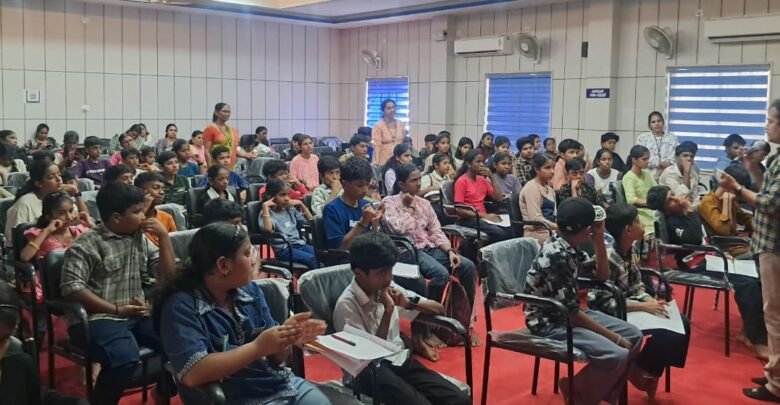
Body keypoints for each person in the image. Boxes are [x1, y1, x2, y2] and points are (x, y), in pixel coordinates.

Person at [154, 223, 328, 404]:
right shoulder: (181, 306)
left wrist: (286, 338)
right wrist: (258, 348)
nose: (254, 260)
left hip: (275, 383)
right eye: (246, 254)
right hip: (234, 396)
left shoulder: (250, 290)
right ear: (223, 265)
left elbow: (277, 359)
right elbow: (193, 373)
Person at [59, 182, 175, 405]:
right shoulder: (86, 245)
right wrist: (117, 310)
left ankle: (163, 392)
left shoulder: (139, 237)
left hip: (136, 314)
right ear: (116, 218)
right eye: (137, 212)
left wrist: (164, 238)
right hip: (96, 318)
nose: (143, 216)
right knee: (124, 359)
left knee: (180, 338)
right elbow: (71, 288)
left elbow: (167, 277)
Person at [523, 197, 644, 404]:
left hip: (567, 313)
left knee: (635, 336)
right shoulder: (556, 256)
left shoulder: (569, 246)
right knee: (617, 354)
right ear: (584, 229)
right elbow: (571, 315)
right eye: (591, 227)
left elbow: (602, 276)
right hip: (549, 322)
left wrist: (599, 238)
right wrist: (614, 338)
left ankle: (585, 388)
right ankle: (580, 396)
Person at [333, 232, 472, 405]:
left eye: (390, 270)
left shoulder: (388, 287)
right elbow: (369, 357)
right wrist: (388, 311)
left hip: (399, 359)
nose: (389, 277)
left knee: (459, 400)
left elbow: (438, 309)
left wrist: (407, 303)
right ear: (360, 274)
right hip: (367, 373)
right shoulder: (346, 306)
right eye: (382, 272)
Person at [717, 99, 780, 402]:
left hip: (775, 245)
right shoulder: (776, 158)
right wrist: (752, 168)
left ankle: (776, 384)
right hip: (768, 243)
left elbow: (770, 203)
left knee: (775, 314)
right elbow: (767, 189)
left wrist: (737, 190)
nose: (766, 126)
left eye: (770, 120)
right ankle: (774, 370)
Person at [597, 203, 690, 398]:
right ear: (627, 229)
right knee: (666, 331)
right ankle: (642, 374)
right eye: (638, 221)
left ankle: (646, 371)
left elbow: (637, 285)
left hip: (632, 306)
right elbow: (602, 303)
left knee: (682, 322)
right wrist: (643, 306)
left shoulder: (631, 250)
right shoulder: (609, 258)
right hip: (613, 313)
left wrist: (650, 301)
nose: (643, 225)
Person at [383, 163, 479, 344]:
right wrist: (410, 208)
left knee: (467, 266)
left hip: (429, 247)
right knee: (440, 274)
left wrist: (450, 251)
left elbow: (436, 231)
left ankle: (464, 323)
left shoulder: (425, 203)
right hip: (408, 251)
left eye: (419, 179)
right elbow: (398, 229)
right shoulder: (389, 202)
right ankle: (429, 325)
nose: (419, 184)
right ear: (401, 184)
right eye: (413, 180)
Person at [5, 160, 87, 247]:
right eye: (51, 177)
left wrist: (76, 192)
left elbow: (85, 219)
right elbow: (13, 240)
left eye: (59, 174)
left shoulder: (61, 198)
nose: (59, 179)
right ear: (38, 183)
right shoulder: (24, 203)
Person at [322, 156, 383, 251]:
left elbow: (374, 242)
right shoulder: (332, 209)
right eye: (360, 185)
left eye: (367, 184)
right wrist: (363, 222)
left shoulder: (367, 205)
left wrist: (376, 225)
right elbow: (340, 248)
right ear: (344, 184)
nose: (365, 190)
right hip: (347, 258)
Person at [453, 150, 513, 244]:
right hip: (469, 219)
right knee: (499, 233)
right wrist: (485, 216)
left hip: (483, 217)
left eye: (482, 162)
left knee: (511, 230)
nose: (481, 164)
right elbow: (459, 210)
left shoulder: (481, 179)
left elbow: (498, 198)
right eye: (478, 162)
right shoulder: (461, 181)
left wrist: (492, 177)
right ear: (468, 164)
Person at [20, 191, 94, 265]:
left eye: (70, 211)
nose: (69, 217)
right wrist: (47, 231)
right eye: (61, 213)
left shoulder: (80, 230)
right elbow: (25, 257)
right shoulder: (38, 234)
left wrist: (91, 225)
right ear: (49, 217)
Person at [261, 179, 318, 269]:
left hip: (299, 244)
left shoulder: (290, 210)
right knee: (313, 260)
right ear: (271, 197)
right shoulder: (266, 214)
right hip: (284, 249)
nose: (287, 198)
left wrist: (301, 205)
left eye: (288, 195)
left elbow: (311, 221)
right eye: (282, 195)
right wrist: (265, 207)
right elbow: (268, 230)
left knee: (322, 255)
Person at [519, 153, 558, 244]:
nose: (552, 171)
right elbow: (535, 219)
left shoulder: (550, 189)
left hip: (551, 231)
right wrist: (559, 227)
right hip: (536, 234)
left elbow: (554, 215)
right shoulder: (531, 188)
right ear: (537, 169)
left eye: (553, 167)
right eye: (547, 168)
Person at [622, 145, 657, 238]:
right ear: (634, 160)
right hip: (640, 214)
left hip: (652, 211)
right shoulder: (629, 177)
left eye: (648, 159)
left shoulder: (647, 173)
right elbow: (631, 199)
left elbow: (656, 189)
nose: (647, 162)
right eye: (644, 159)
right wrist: (650, 202)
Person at [135, 172, 177, 246]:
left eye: (163, 188)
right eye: (156, 188)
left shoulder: (167, 217)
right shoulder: (130, 218)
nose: (162, 192)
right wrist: (144, 208)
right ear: (140, 191)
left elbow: (175, 244)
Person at [204, 102, 248, 169]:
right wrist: (210, 168)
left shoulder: (232, 130)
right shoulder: (210, 129)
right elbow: (207, 151)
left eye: (229, 112)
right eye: (224, 111)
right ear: (216, 113)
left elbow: (234, 148)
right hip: (217, 167)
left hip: (232, 166)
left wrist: (246, 155)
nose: (227, 114)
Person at [658, 141, 701, 206]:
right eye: (685, 156)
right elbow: (681, 197)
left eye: (692, 156)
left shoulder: (693, 173)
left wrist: (693, 208)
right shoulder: (669, 173)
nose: (689, 159)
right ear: (677, 158)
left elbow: (695, 197)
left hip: (689, 207)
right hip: (671, 208)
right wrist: (686, 173)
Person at [637, 111, 678, 178]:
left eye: (659, 121)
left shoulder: (672, 138)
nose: (657, 124)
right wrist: (658, 163)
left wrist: (663, 167)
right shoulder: (642, 138)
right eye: (653, 122)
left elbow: (674, 159)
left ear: (663, 122)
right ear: (649, 125)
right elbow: (640, 159)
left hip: (668, 173)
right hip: (647, 174)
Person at [371, 99, 406, 165]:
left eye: (393, 107)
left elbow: (403, 142)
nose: (392, 110)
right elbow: (377, 145)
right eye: (389, 108)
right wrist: (377, 161)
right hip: (383, 159)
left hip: (398, 158)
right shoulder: (378, 125)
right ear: (383, 110)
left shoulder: (401, 123)